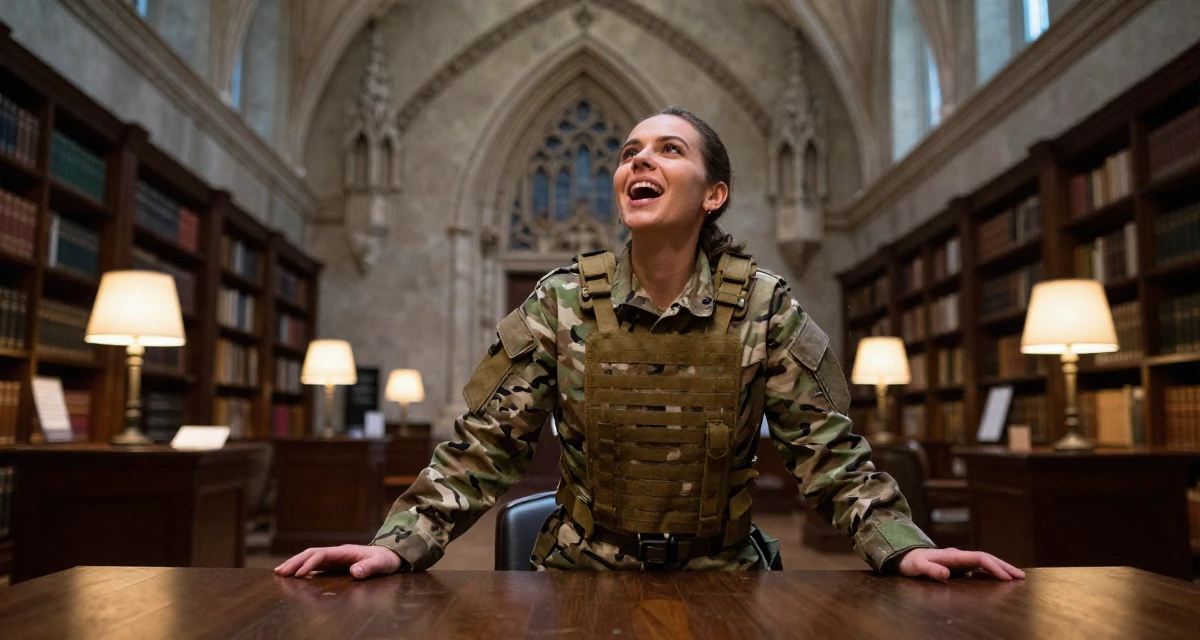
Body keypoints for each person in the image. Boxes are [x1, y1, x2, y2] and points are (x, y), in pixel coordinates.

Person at [276, 107, 1024, 581]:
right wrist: (397, 541)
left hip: (724, 580)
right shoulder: (561, 299)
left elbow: (828, 456)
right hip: (579, 578)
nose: (639, 160)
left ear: (712, 194)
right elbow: (483, 447)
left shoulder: (765, 305)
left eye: (668, 150)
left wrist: (904, 543)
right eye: (630, 151)